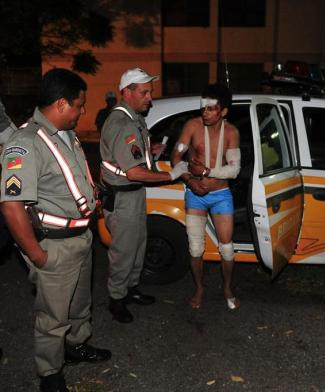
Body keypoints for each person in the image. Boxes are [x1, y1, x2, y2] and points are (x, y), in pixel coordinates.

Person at [0, 68, 111, 392]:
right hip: (55, 246)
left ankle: (76, 346)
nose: (82, 111)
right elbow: (11, 205)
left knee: (79, 304)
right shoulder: (25, 142)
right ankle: (50, 374)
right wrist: (38, 255)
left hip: (80, 238)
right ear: (62, 103)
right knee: (52, 317)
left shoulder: (64, 134)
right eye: (79, 105)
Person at [100, 67, 188, 323]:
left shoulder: (134, 118)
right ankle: (116, 299)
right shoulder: (121, 122)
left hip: (133, 196)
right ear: (127, 93)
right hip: (123, 197)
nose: (150, 97)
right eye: (145, 92)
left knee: (138, 246)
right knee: (124, 251)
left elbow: (134, 152)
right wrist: (171, 175)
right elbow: (135, 172)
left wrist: (152, 149)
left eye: (150, 91)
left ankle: (131, 289)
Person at [171, 83, 241, 310]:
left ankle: (228, 288)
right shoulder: (192, 126)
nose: (205, 112)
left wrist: (208, 172)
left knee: (227, 248)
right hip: (195, 194)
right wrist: (190, 180)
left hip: (220, 194)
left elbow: (234, 170)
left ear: (223, 111)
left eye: (212, 108)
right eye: (204, 107)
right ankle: (199, 288)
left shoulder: (231, 132)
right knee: (195, 248)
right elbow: (176, 155)